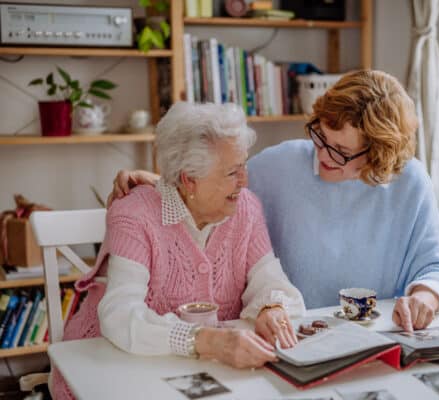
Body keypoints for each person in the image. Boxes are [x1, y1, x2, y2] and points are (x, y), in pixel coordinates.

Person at [109, 69, 439, 333]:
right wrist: (163, 183)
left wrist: (426, 297)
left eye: (341, 151)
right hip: (296, 331)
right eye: (320, 136)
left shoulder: (409, 182)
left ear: (379, 156)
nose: (322, 155)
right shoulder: (281, 164)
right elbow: (218, 189)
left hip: (377, 334)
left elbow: (438, 265)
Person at [51, 102, 305, 399]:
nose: (245, 181)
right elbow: (120, 314)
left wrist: (270, 308)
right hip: (114, 367)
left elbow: (269, 280)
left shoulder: (245, 208)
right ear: (188, 179)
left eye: (244, 165)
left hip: (209, 377)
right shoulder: (134, 215)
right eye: (232, 172)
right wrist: (206, 341)